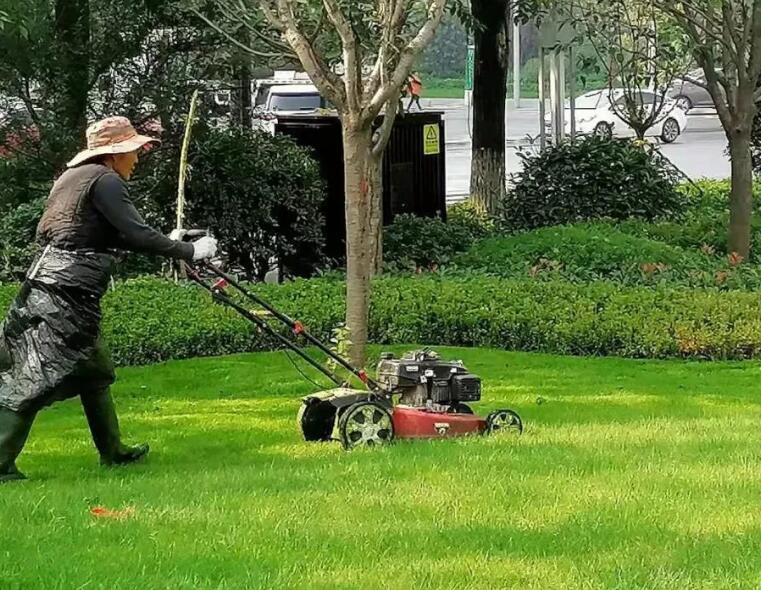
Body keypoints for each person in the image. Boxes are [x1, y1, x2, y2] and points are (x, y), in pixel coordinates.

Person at [0, 116, 218, 483]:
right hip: (66, 293)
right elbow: (135, 233)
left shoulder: (72, 178)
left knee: (96, 370)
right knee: (34, 374)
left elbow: (104, 234)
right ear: (114, 154)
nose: (137, 157)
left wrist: (171, 243)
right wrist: (189, 251)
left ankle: (114, 451)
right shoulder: (107, 181)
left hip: (52, 285)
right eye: (134, 151)